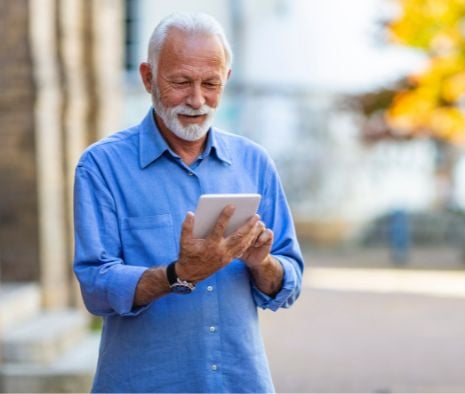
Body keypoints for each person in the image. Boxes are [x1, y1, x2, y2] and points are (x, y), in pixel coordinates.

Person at [73, 12, 303, 393]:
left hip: (239, 383)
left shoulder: (254, 161)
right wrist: (178, 274)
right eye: (180, 82)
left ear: (226, 80)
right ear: (148, 78)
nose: (197, 100)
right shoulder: (102, 166)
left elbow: (289, 280)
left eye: (210, 84)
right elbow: (96, 287)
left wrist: (262, 264)